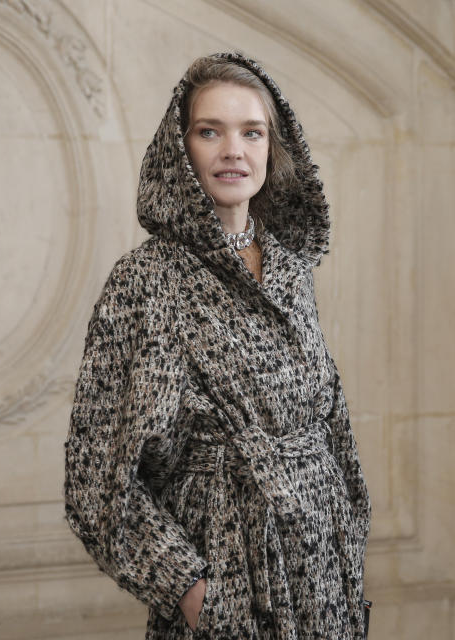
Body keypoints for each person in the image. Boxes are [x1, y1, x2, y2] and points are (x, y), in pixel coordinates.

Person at [63, 52, 371, 639]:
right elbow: (96, 479)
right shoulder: (147, 280)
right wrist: (195, 594)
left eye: (251, 132)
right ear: (181, 152)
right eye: (211, 132)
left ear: (272, 149)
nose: (234, 150)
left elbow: (331, 423)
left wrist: (350, 531)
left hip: (326, 584)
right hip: (229, 584)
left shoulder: (289, 268)